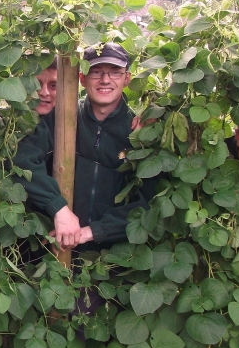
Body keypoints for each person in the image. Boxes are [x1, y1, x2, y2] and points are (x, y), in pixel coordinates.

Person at [14, 42, 156, 253]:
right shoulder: (60, 117)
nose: (105, 80)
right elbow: (23, 160)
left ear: (127, 79)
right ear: (82, 78)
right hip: (53, 247)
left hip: (112, 258)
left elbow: (147, 203)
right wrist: (59, 208)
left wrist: (92, 231)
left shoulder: (139, 132)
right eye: (96, 72)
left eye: (115, 72)